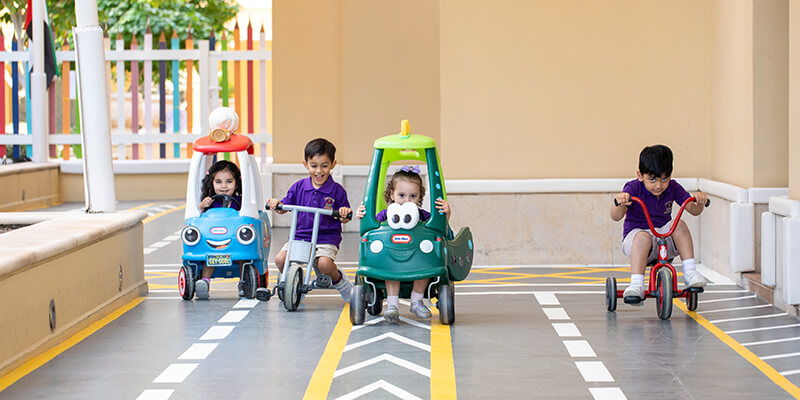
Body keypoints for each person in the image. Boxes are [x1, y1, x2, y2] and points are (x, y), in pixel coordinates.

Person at [610, 144, 708, 304]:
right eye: (652, 179)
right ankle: (637, 284)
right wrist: (620, 202)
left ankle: (690, 272)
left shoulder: (673, 187)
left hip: (663, 237)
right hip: (636, 239)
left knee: (680, 224)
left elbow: (693, 209)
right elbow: (615, 216)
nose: (658, 185)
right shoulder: (633, 187)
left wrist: (699, 201)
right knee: (643, 237)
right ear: (640, 175)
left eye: (664, 179)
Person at [356, 166, 452, 323]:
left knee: (426, 264)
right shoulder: (385, 215)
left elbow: (439, 231)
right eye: (401, 195)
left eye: (413, 196)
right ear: (392, 195)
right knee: (389, 269)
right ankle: (392, 305)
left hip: (418, 261)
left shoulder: (423, 216)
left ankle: (416, 300)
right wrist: (362, 215)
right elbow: (371, 229)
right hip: (391, 258)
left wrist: (446, 216)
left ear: (420, 196)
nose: (407, 201)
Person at [266, 138, 354, 302]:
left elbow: (345, 218)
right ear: (305, 164)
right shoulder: (299, 186)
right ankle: (294, 280)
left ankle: (342, 284)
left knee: (325, 265)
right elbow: (284, 207)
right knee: (280, 259)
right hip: (301, 236)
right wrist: (277, 204)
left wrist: (343, 213)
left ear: (333, 164)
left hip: (326, 238)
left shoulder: (336, 190)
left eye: (324, 165)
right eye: (314, 166)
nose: (319, 171)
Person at [195, 160, 244, 300]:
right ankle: (204, 282)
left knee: (243, 255)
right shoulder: (210, 202)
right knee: (208, 255)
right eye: (218, 182)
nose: (223, 186)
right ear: (211, 182)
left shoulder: (240, 201)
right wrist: (202, 206)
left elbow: (247, 215)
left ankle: (243, 281)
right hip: (214, 239)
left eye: (229, 181)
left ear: (236, 183)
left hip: (235, 239)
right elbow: (198, 217)